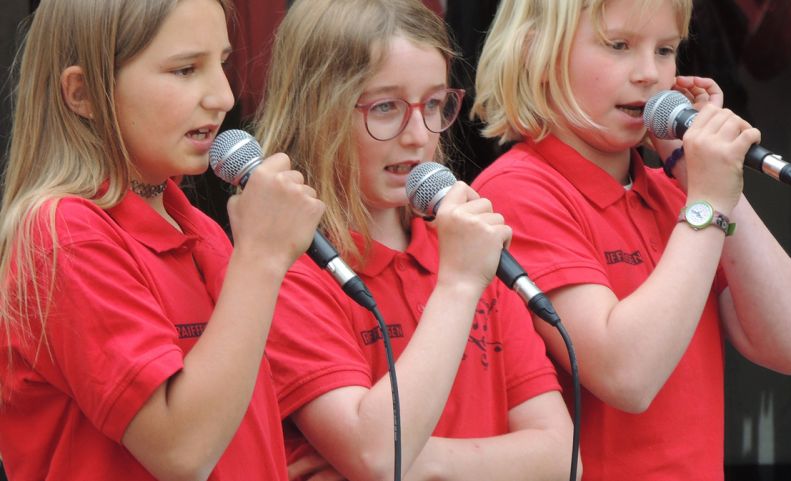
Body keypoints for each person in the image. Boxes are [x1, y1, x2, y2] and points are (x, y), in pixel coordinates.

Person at [470, 0, 791, 480]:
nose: (648, 73)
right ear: (537, 51)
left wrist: (701, 172)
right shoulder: (515, 192)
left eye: (665, 50)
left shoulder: (677, 192)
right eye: (619, 46)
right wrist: (706, 203)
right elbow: (627, 376)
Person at [0, 0, 323, 480]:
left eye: (223, 64)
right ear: (83, 92)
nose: (223, 97)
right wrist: (261, 256)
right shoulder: (63, 235)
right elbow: (182, 451)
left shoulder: (197, 226)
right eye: (185, 69)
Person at [254, 1, 577, 480]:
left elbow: (563, 458)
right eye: (385, 107)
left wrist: (422, 465)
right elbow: (378, 454)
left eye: (433, 104)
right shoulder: (288, 267)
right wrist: (459, 286)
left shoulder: (464, 247)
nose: (417, 134)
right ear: (316, 108)